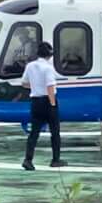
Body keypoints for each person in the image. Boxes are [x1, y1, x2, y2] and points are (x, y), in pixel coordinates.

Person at [21, 39, 63, 169]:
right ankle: (55, 160)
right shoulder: (48, 68)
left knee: (34, 132)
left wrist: (35, 87)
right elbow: (50, 87)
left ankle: (28, 160)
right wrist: (52, 104)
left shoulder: (30, 66)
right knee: (55, 132)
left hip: (35, 102)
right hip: (48, 100)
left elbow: (24, 83)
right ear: (49, 55)